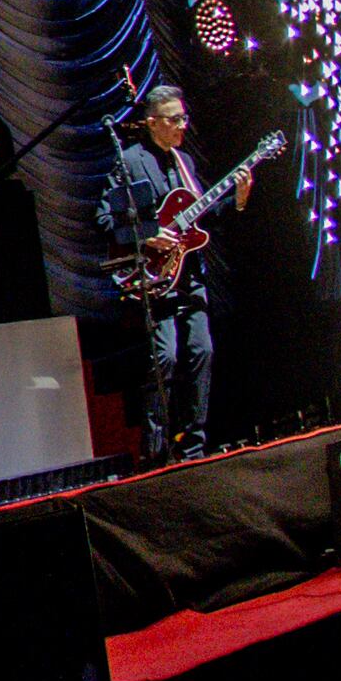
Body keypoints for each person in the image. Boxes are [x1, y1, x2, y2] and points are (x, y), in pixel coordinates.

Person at [94, 83, 226, 461]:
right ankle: (157, 449)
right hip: (155, 278)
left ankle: (196, 446)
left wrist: (238, 197)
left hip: (190, 275)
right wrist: (149, 237)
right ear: (152, 123)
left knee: (203, 349)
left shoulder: (185, 163)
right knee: (164, 357)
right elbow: (105, 217)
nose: (182, 125)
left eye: (184, 118)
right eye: (174, 119)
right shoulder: (131, 161)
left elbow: (203, 218)